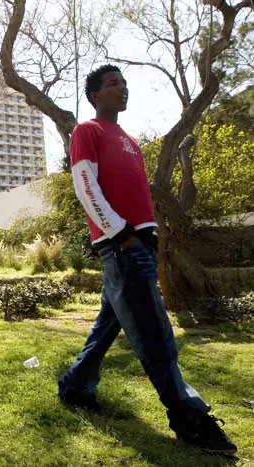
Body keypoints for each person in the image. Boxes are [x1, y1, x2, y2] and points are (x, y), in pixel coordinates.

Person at [56, 64, 237, 454]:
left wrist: (147, 236)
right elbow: (85, 185)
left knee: (109, 325)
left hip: (141, 242)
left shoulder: (130, 139)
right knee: (156, 334)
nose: (122, 89)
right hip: (122, 243)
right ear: (94, 95)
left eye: (124, 83)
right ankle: (189, 416)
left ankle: (74, 386)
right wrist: (119, 233)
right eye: (112, 84)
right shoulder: (86, 131)